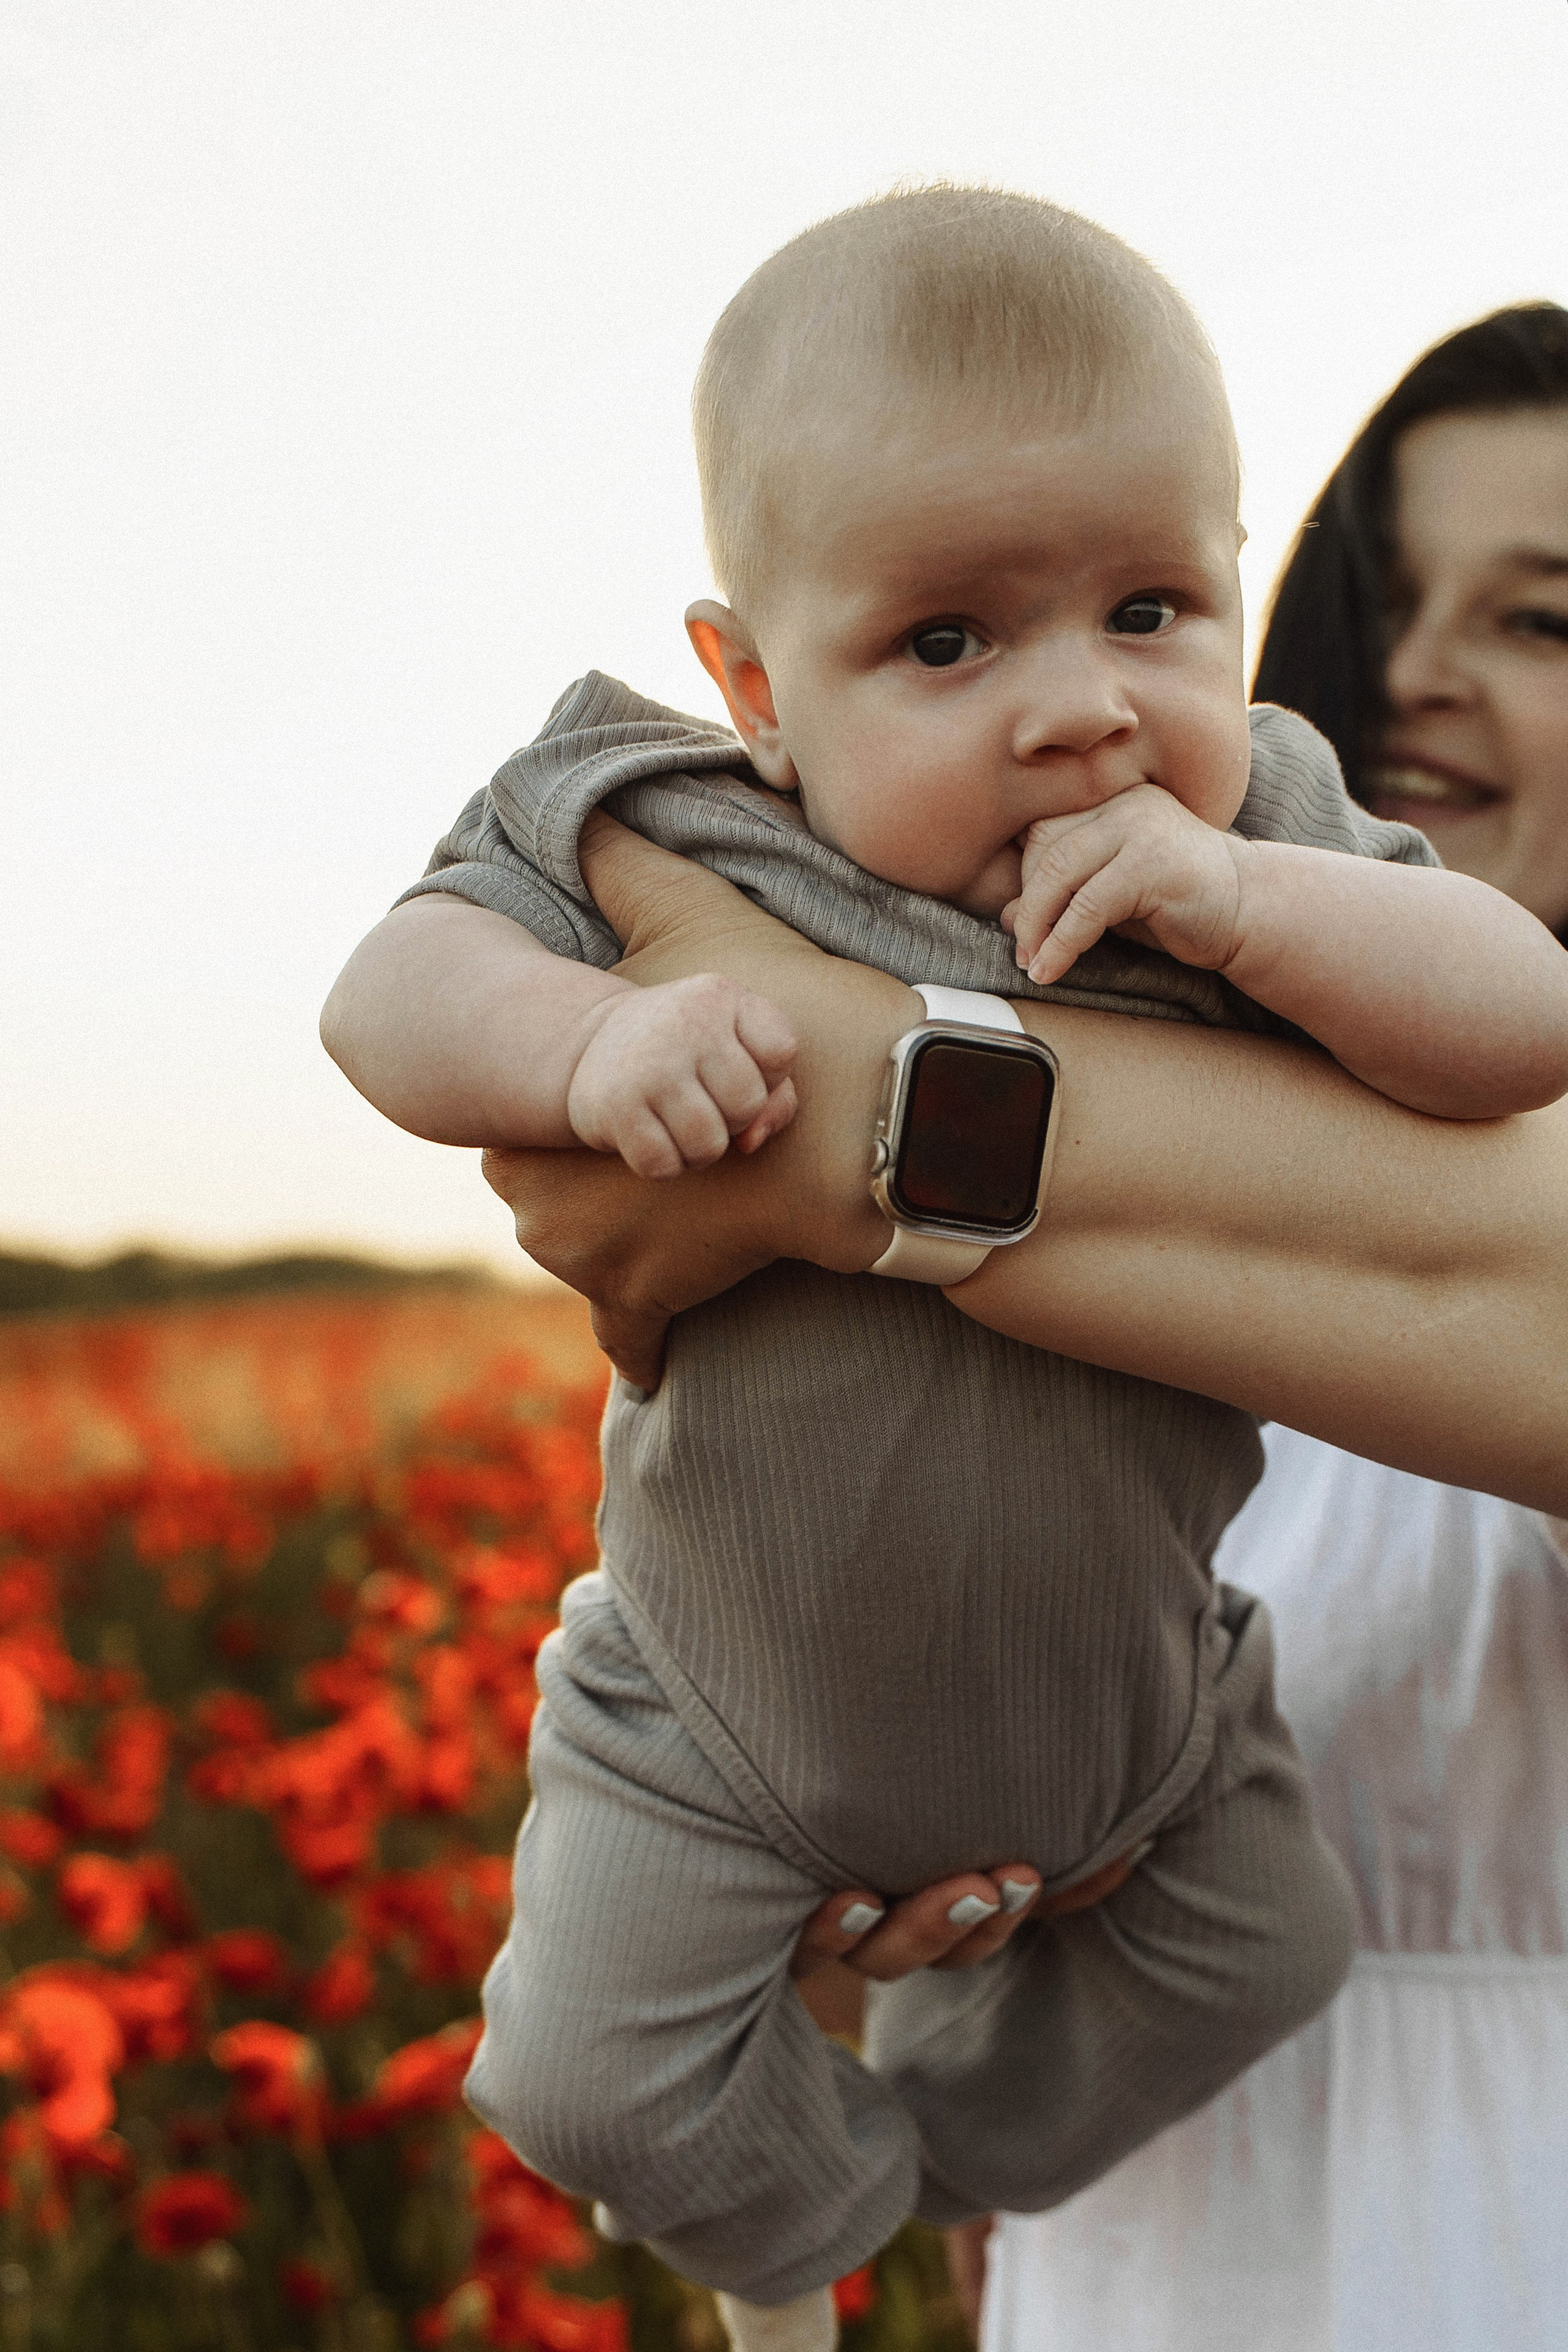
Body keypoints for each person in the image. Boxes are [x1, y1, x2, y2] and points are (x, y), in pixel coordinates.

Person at [321, 185, 1568, 2352]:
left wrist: (1189, 933)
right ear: (752, 684)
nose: (1081, 710)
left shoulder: (1265, 855)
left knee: (1258, 1942)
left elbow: (1521, 1011)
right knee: (592, 2063)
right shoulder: (684, 816)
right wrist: (597, 1034)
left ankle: (907, 2176)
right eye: (951, 640)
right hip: (750, 1706)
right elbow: (393, 996)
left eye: (1156, 603)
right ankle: (813, 2216)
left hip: (1348, 2021)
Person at [976, 303, 1568, 2352]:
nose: (1415, 678)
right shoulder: (1148, 1181)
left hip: (1493, 2232)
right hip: (1142, 2239)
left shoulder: (1125, 1192)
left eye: (1543, 621)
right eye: (1388, 598)